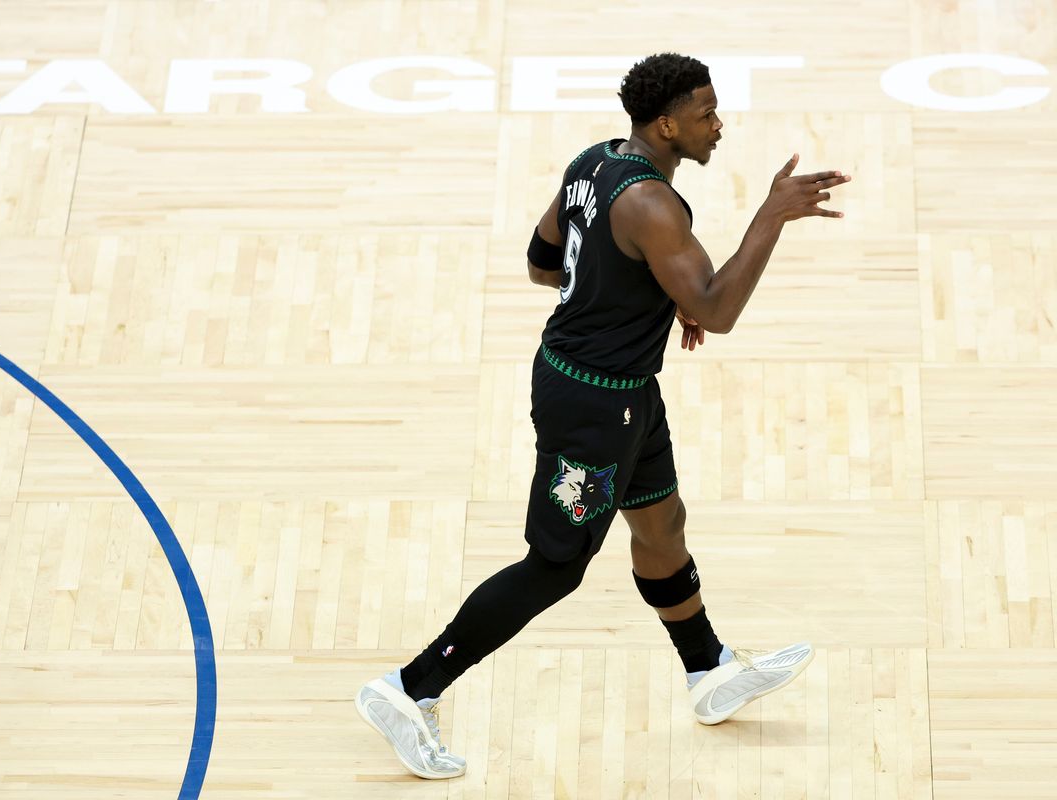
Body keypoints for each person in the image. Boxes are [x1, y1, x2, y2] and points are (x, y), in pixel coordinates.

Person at [355, 52, 852, 779]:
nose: (718, 125)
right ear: (667, 125)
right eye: (706, 113)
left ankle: (707, 669)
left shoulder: (594, 162)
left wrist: (648, 295)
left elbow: (542, 260)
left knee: (661, 524)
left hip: (622, 392)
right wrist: (770, 216)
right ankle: (410, 688)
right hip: (593, 408)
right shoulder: (653, 205)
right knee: (555, 566)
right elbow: (718, 310)